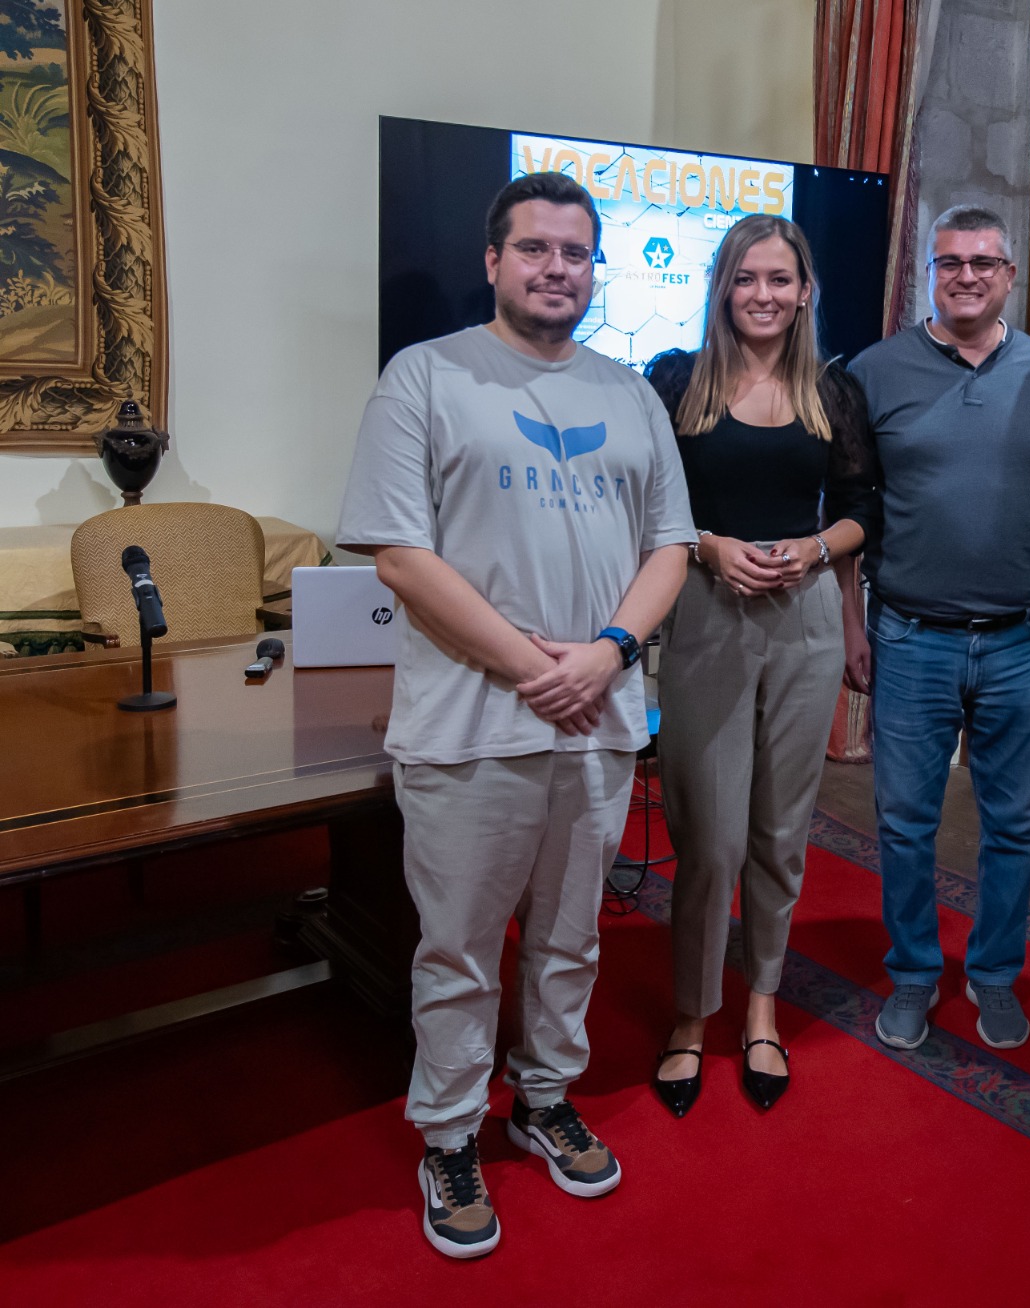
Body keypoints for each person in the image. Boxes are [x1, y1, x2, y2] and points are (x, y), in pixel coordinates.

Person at [337, 172, 696, 1259]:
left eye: (575, 253)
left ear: (595, 270)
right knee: (456, 952)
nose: (556, 269)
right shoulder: (426, 377)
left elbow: (670, 545)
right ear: (493, 261)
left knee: (570, 939)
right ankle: (448, 1133)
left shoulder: (630, 391)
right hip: (469, 724)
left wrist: (608, 655)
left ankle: (543, 1098)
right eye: (534, 249)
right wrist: (535, 666)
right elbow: (400, 553)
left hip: (595, 722)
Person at [643, 214, 874, 1117]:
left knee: (780, 832)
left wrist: (816, 550)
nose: (765, 295)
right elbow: (648, 500)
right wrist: (707, 545)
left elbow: (863, 509)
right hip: (706, 607)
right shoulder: (675, 380)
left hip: (806, 613)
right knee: (711, 835)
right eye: (747, 279)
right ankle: (691, 1017)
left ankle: (762, 1007)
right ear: (722, 288)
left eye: (781, 279)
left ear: (805, 289)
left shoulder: (831, 389)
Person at [844, 205, 1030, 1053]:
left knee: (1014, 825)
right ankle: (911, 974)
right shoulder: (874, 371)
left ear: (1010, 275)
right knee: (906, 821)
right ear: (927, 274)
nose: (966, 274)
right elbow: (851, 508)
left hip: (1018, 640)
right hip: (909, 636)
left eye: (984, 261)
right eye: (949, 262)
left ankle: (996, 975)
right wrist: (850, 623)